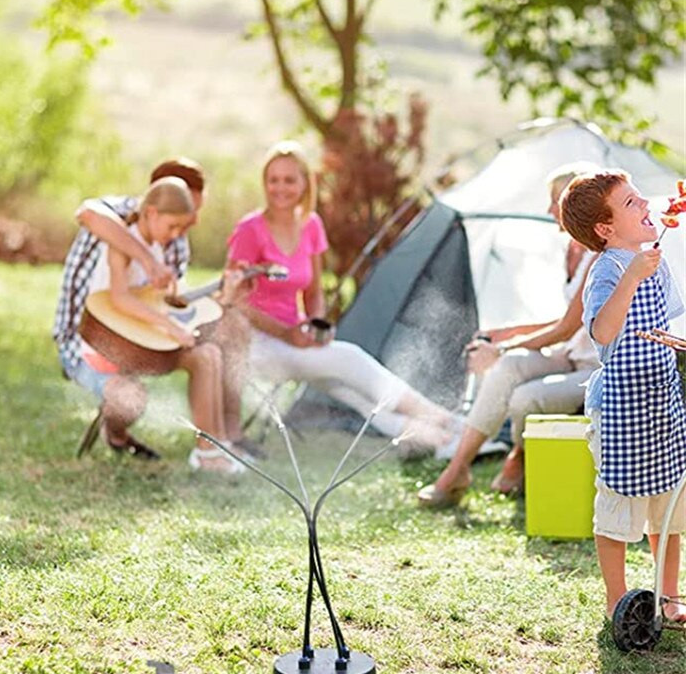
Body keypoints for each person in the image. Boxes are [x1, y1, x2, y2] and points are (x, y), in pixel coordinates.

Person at [226, 139, 459, 448]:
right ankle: (441, 419)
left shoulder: (310, 225)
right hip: (256, 345)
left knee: (347, 388)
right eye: (273, 180)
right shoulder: (250, 229)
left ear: (305, 183)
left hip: (297, 340)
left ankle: (441, 439)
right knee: (349, 360)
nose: (280, 188)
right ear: (264, 183)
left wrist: (316, 325)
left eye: (289, 180)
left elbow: (314, 291)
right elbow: (232, 299)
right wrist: (286, 334)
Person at [418, 163, 602, 507]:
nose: (549, 211)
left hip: (595, 369)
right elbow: (566, 319)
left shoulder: (597, 254)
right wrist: (507, 335)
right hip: (570, 357)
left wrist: (500, 348)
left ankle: (519, 455)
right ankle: (457, 470)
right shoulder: (572, 250)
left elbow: (567, 327)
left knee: (523, 397)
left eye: (557, 201)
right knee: (511, 368)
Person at [53, 158, 253, 460]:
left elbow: (172, 304)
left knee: (208, 354)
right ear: (152, 209)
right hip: (97, 343)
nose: (180, 232)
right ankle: (117, 435)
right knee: (130, 399)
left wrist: (224, 295)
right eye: (176, 224)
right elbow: (120, 298)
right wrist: (169, 323)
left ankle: (213, 452)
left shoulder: (166, 242)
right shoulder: (121, 233)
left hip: (141, 341)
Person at [560, 170, 685, 621]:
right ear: (605, 229)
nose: (646, 206)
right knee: (617, 509)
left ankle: (668, 598)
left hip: (662, 404)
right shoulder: (607, 271)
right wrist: (631, 277)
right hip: (622, 410)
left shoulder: (655, 261)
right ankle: (618, 600)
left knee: (667, 509)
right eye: (632, 203)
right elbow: (603, 332)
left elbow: (669, 322)